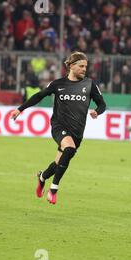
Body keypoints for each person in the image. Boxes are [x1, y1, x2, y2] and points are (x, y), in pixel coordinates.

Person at [10, 51, 106, 204]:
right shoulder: (58, 84)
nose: (84, 69)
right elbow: (39, 96)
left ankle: (42, 177)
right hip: (58, 126)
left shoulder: (89, 84)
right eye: (81, 66)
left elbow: (102, 104)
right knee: (69, 148)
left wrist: (97, 111)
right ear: (72, 66)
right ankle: (53, 189)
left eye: (85, 67)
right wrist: (20, 109)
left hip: (77, 131)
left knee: (58, 163)